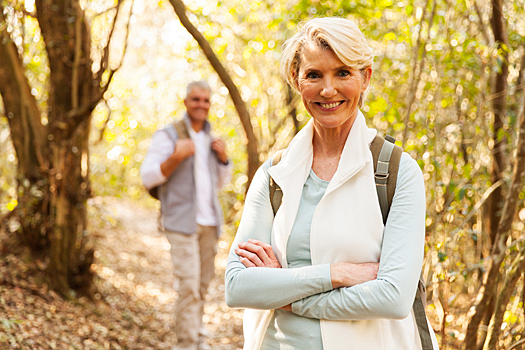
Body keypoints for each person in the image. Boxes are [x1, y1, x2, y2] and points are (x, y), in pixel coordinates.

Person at [225, 18, 439, 350]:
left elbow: (394, 298)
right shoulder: (274, 174)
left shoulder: (397, 171)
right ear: (298, 82)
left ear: (365, 77)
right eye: (313, 75)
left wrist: (286, 294)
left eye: (342, 73)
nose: (328, 89)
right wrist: (339, 273)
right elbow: (238, 286)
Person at [140, 80, 232, 350]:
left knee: (202, 287)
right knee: (189, 287)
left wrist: (224, 159)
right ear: (185, 102)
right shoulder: (168, 136)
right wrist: (176, 157)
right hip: (181, 223)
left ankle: (197, 336)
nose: (201, 105)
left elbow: (220, 183)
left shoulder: (212, 138)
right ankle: (187, 344)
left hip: (210, 223)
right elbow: (147, 178)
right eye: (195, 99)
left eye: (205, 100)